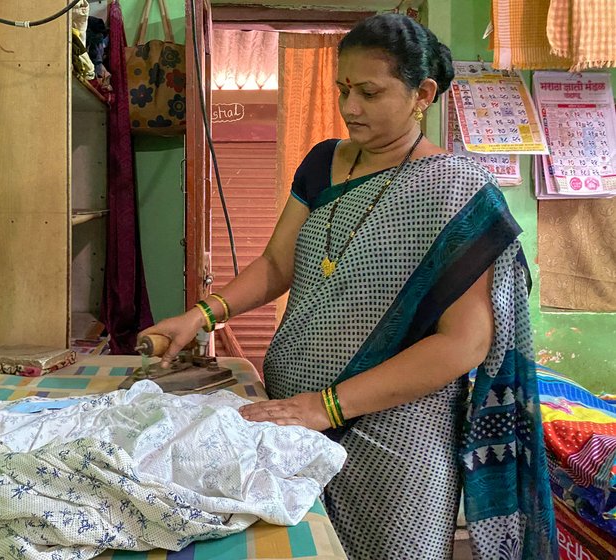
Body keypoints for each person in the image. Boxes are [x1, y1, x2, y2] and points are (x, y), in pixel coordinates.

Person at [139, 13, 557, 560]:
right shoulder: (321, 162)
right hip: (291, 414)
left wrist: (328, 406)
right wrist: (203, 314)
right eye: (342, 89)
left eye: (369, 92)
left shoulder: (455, 190)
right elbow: (275, 265)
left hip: (396, 439)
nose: (349, 106)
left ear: (422, 94)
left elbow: (464, 343)